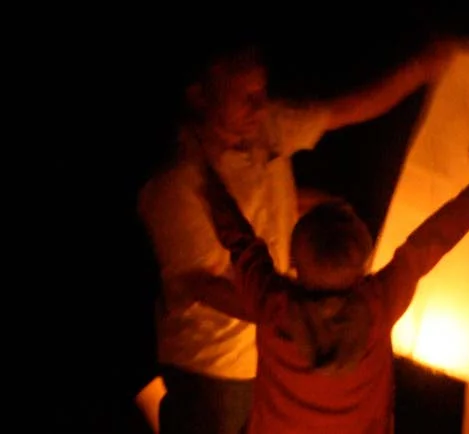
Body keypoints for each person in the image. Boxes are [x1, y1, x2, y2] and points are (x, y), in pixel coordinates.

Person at [137, 40, 452, 433]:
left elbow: (345, 110)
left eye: (262, 92)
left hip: (273, 357)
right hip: (213, 368)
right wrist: (289, 313)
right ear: (200, 95)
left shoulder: (267, 128)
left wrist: (420, 70)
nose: (259, 105)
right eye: (245, 96)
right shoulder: (176, 183)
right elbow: (200, 283)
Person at [195, 135, 469, 433]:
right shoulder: (377, 305)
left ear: (294, 263)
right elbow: (428, 243)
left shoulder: (273, 304)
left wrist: (205, 177)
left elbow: (240, 241)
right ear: (362, 265)